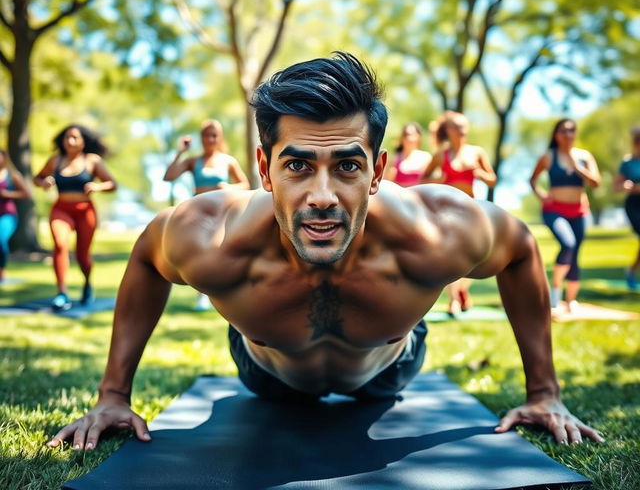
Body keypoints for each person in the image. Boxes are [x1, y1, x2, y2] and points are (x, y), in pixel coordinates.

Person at [46, 53, 603, 451]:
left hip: (390, 368)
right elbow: (145, 258)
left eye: (347, 166)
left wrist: (544, 393)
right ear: (263, 170)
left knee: (395, 354)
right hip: (266, 374)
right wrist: (113, 395)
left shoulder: (439, 231)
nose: (321, 197)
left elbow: (523, 251)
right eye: (297, 166)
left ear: (378, 172)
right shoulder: (210, 236)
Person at [163, 119, 250, 310]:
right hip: (198, 212)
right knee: (199, 250)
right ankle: (202, 294)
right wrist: (180, 152)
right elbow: (168, 176)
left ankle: (222, 291)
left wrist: (228, 186)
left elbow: (245, 184)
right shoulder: (193, 161)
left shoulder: (227, 160)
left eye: (214, 135)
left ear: (219, 137)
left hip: (222, 211)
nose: (210, 139)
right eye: (206, 135)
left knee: (219, 249)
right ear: (201, 138)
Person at [33, 125, 117, 310]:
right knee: (60, 245)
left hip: (85, 211)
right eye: (67, 138)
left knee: (82, 256)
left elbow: (112, 184)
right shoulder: (56, 160)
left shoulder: (92, 161)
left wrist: (98, 187)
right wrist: (44, 182)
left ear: (83, 141)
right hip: (61, 209)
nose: (70, 141)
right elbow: (36, 178)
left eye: (75, 138)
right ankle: (62, 293)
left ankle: (87, 283)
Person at [421, 111, 497, 316]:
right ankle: (454, 300)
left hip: (471, 209)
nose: (463, 130)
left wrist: (479, 174)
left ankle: (461, 289)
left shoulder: (477, 152)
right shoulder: (441, 155)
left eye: (465, 126)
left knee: (477, 256)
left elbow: (492, 180)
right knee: (451, 255)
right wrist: (439, 179)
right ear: (449, 130)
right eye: (458, 127)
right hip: (447, 210)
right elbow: (423, 179)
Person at [529, 118, 601, 313]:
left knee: (575, 253)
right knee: (567, 244)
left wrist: (578, 168)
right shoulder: (548, 157)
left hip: (579, 212)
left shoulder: (584, 156)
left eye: (571, 131)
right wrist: (542, 196)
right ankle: (555, 291)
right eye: (563, 131)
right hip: (554, 210)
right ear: (556, 135)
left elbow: (596, 183)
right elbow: (533, 179)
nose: (568, 134)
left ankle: (570, 301)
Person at [614, 125, 640, 290]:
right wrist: (628, 186)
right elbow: (616, 186)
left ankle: (631, 270)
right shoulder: (627, 163)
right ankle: (631, 271)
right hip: (634, 204)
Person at [0, 149, 31, 283]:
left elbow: (26, 194)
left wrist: (7, 194)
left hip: (7, 214)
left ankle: (1, 271)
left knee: (1, 241)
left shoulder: (12, 175)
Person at [383, 122, 432, 187]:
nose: (409, 138)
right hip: (399, 196)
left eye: (412, 134)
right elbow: (386, 184)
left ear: (419, 137)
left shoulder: (426, 157)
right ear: (401, 138)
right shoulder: (393, 159)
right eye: (406, 135)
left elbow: (430, 182)